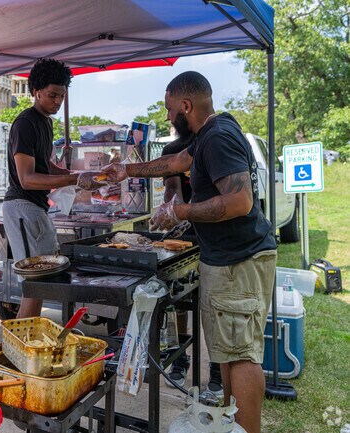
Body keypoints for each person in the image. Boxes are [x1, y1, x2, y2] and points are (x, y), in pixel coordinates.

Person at [102, 71, 276, 433]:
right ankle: (234, 426)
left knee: (241, 356)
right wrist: (125, 170)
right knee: (228, 353)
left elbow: (241, 201)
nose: (167, 117)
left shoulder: (218, 138)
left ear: (186, 105)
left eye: (169, 110)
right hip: (228, 260)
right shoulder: (208, 134)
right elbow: (176, 162)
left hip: (239, 261)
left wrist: (179, 211)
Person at [2, 58, 105, 318]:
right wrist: (72, 180)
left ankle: (29, 346)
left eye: (61, 95)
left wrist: (79, 174)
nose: (57, 101)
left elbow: (45, 166)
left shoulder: (45, 123)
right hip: (22, 207)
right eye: (52, 95)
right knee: (33, 286)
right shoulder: (25, 123)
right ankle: (22, 352)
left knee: (41, 283)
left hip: (36, 210)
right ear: (36, 92)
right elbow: (27, 178)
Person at [160, 133, 224, 398]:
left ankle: (219, 367)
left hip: (215, 234)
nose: (170, 116)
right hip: (184, 232)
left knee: (213, 301)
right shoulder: (172, 149)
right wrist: (170, 210)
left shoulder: (212, 143)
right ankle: (180, 358)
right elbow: (172, 188)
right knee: (179, 295)